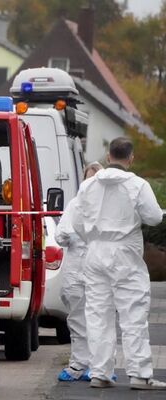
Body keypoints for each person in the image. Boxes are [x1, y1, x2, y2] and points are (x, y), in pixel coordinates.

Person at [69, 138, 164, 390]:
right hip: (125, 253)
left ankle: (100, 373)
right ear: (130, 159)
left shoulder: (88, 186)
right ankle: (139, 374)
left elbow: (76, 220)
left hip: (95, 252)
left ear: (108, 157)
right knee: (133, 313)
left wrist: (93, 238)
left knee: (98, 314)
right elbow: (154, 218)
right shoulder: (137, 185)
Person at [56, 162, 104, 382]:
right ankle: (79, 364)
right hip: (78, 271)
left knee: (98, 321)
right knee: (78, 320)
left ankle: (97, 366)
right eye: (89, 179)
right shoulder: (76, 204)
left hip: (97, 271)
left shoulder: (105, 207)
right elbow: (61, 235)